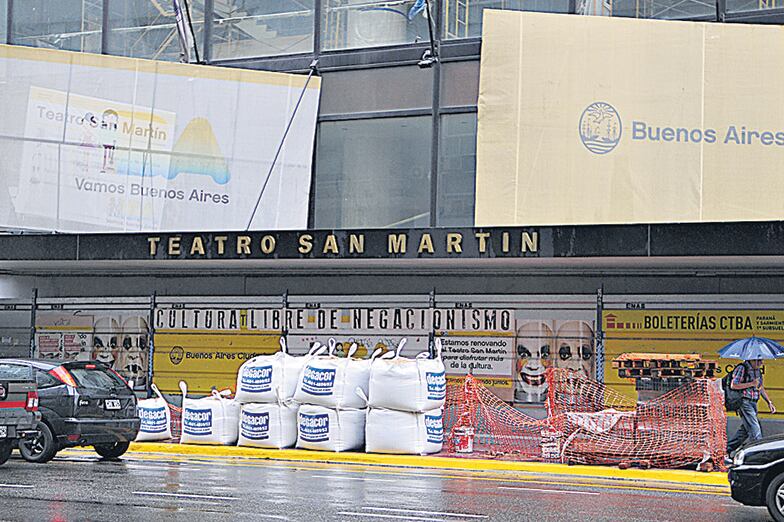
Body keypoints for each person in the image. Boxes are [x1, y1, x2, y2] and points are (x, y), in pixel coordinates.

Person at [727, 358, 776, 458]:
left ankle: (727, 449)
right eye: (759, 361)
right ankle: (760, 455)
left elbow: (760, 387)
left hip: (753, 403)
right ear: (752, 360)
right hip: (744, 402)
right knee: (755, 429)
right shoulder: (742, 368)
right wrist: (751, 384)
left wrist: (769, 402)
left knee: (744, 431)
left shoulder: (757, 371)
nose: (761, 363)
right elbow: (734, 385)